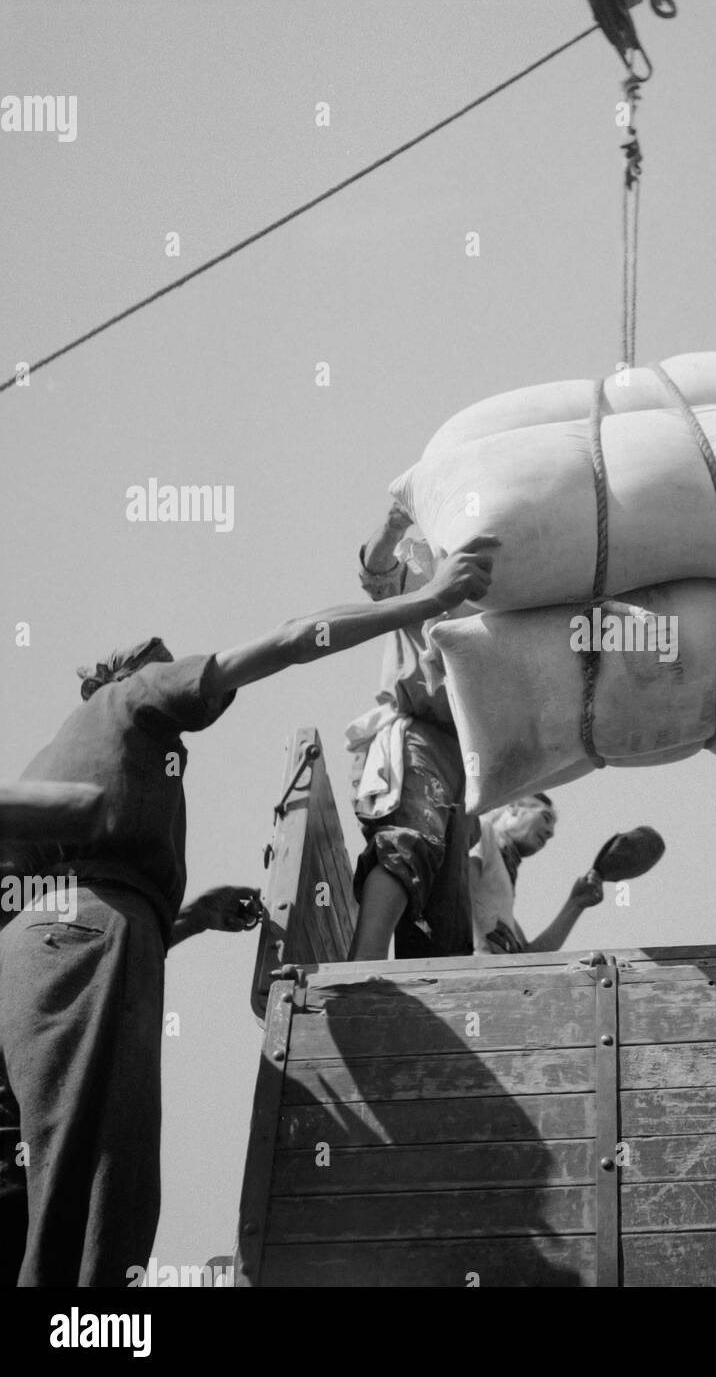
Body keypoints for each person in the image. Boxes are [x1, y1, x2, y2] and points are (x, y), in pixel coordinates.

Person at [0, 535, 498, 1287]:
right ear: (134, 669)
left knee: (40, 1159)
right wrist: (429, 600)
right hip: (93, 935)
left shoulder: (60, 752)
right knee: (105, 1162)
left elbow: (45, 908)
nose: (183, 665)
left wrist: (192, 916)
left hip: (35, 953)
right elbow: (294, 641)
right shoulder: (136, 697)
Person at [347, 503, 475, 961]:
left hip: (466, 760)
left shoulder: (506, 598)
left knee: (446, 897)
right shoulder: (427, 576)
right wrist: (394, 524)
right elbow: (377, 572)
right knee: (409, 843)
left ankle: (423, 994)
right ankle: (362, 966)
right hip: (419, 737)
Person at [470, 794, 604, 954]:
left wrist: (576, 903)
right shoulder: (481, 831)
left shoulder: (500, 898)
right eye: (545, 817)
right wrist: (480, 950)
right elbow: (462, 888)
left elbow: (530, 956)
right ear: (513, 807)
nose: (550, 832)